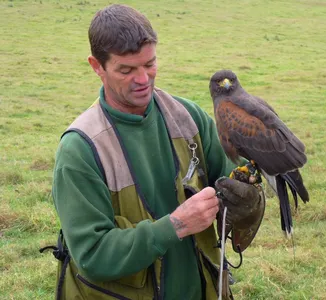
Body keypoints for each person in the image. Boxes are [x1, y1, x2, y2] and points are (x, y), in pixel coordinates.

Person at [45, 4, 264, 300]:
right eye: (126, 69)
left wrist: (248, 202)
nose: (143, 79)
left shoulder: (189, 118)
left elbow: (234, 188)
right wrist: (175, 226)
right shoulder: (80, 149)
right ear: (97, 66)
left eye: (149, 64)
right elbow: (93, 255)